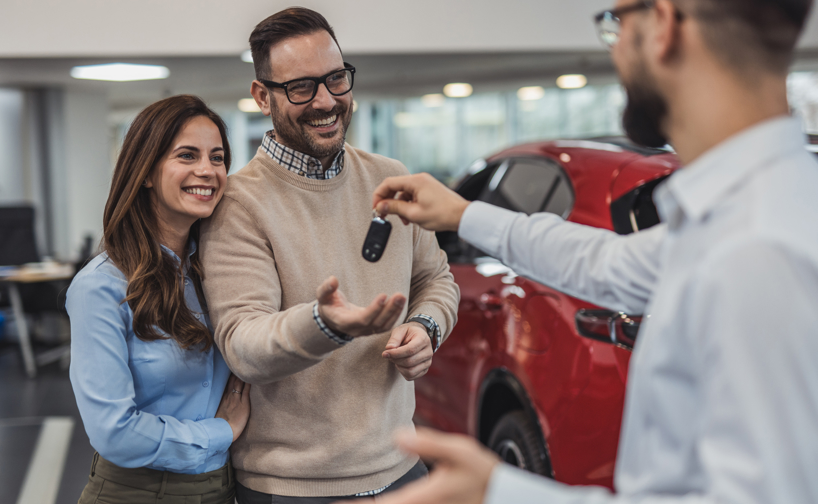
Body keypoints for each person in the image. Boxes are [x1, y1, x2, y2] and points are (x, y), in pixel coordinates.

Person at [364, 0, 818, 503]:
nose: (616, 46)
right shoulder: (758, 208)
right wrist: (463, 214)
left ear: (663, 24)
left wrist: (500, 493)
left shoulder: (758, 248)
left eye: (617, 23)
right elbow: (607, 263)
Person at [199, 7, 460, 503]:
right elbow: (243, 341)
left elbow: (436, 280)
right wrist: (326, 325)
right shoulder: (237, 203)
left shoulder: (390, 176)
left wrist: (426, 327)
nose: (326, 101)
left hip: (402, 467)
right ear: (262, 96)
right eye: (301, 87)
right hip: (294, 488)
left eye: (336, 79)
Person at [67, 94, 250, 504]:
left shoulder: (218, 275)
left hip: (224, 488)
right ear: (146, 172)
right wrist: (220, 431)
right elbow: (115, 432)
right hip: (136, 492)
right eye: (187, 155)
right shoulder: (102, 287)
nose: (207, 170)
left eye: (218, 157)